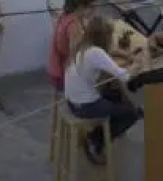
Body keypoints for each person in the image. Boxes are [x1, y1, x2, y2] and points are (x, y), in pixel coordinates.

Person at [65, 15, 153, 164]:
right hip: (85, 107)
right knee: (130, 114)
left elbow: (109, 54)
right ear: (104, 36)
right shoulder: (96, 53)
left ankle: (110, 125)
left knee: (114, 93)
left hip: (72, 101)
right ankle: (95, 140)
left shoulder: (83, 46)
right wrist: (138, 64)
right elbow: (125, 76)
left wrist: (125, 55)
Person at [49, 0, 101, 94]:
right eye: (93, 7)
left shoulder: (65, 15)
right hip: (65, 74)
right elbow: (75, 59)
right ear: (82, 7)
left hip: (55, 67)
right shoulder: (74, 26)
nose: (95, 10)